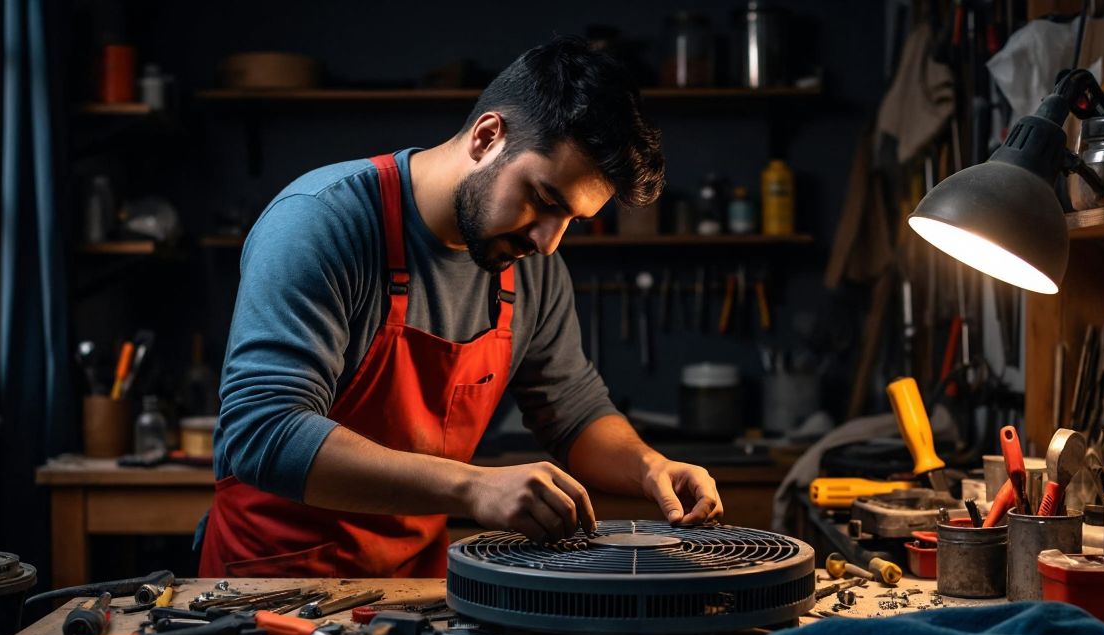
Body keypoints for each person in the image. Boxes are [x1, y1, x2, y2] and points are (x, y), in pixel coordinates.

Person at [198, 37, 724, 579]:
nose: (549, 242)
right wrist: (474, 487)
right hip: (270, 584)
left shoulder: (532, 266)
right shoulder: (321, 223)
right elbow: (262, 432)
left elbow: (574, 412)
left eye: (572, 221)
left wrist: (648, 468)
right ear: (487, 137)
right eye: (545, 200)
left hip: (417, 587)